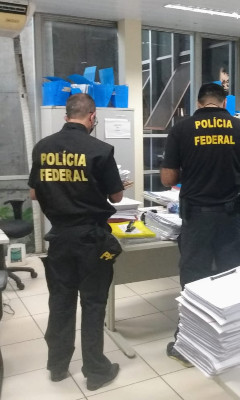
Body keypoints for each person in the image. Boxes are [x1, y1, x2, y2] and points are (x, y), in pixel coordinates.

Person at [160, 82, 240, 365]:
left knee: (194, 281)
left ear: (199, 102)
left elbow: (168, 179)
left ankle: (188, 346)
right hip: (231, 218)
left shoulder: (182, 129)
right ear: (224, 102)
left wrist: (193, 172)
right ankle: (235, 344)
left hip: (197, 218)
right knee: (233, 278)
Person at [28, 93, 125, 391]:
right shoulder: (101, 150)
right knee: (93, 303)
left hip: (59, 238)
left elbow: (34, 193)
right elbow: (116, 196)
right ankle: (96, 371)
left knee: (61, 301)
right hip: (91, 239)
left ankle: (57, 366)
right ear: (92, 116)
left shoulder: (43, 147)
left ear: (66, 115)